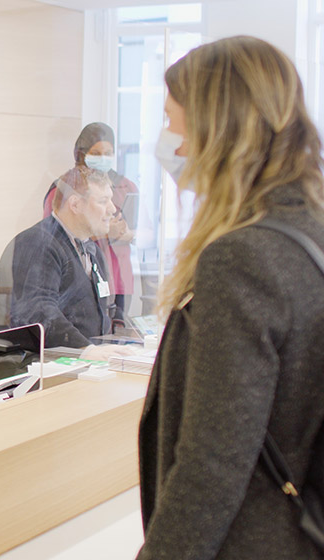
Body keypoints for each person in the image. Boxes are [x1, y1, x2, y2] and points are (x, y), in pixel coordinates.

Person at [138, 36, 324, 559]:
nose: (169, 143)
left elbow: (212, 462)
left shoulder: (240, 259)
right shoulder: (308, 232)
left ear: (216, 129)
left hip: (250, 540)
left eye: (174, 122)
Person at [0, 166, 133, 360]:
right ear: (75, 205)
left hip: (78, 358)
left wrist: (126, 338)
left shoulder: (91, 249)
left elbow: (104, 309)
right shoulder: (38, 244)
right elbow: (38, 312)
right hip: (32, 362)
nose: (113, 209)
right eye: (103, 201)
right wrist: (87, 350)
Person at [43, 122, 138, 319]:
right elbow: (52, 234)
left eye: (108, 152)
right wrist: (103, 232)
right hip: (77, 281)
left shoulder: (124, 186)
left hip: (117, 277)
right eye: (97, 153)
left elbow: (146, 231)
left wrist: (125, 233)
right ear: (81, 152)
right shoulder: (65, 188)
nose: (103, 158)